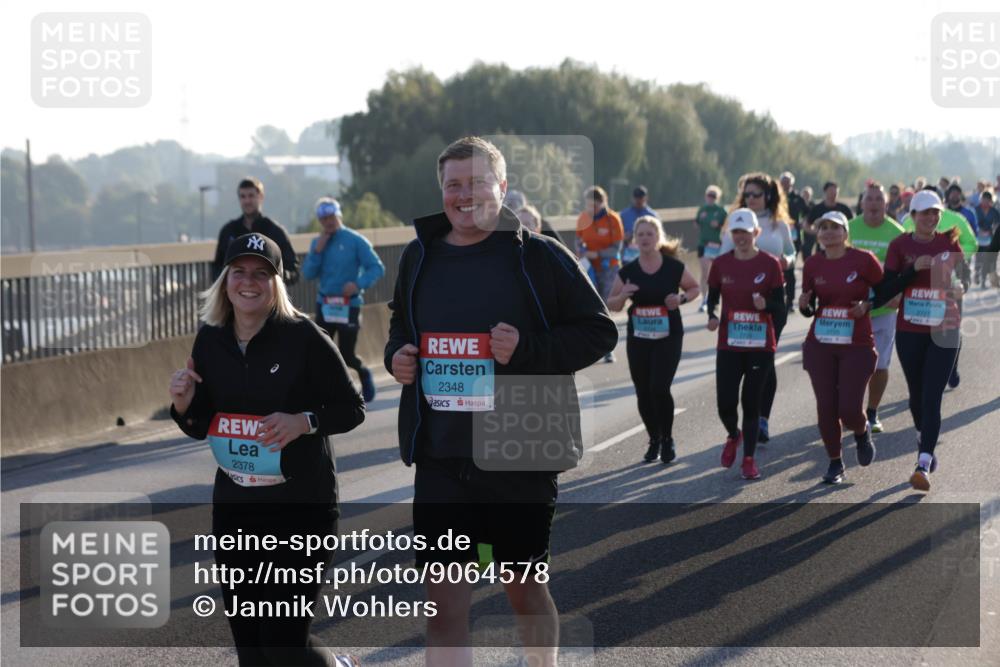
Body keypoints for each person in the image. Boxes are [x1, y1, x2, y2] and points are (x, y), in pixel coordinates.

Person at [385, 136, 618, 667]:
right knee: (443, 606)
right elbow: (402, 322)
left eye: (477, 183)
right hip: (443, 454)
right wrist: (396, 353)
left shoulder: (538, 255)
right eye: (454, 185)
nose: (465, 195)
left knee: (523, 592)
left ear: (503, 188)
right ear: (442, 190)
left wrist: (529, 349)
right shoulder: (419, 256)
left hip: (520, 450)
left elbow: (600, 332)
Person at [170, 232, 364, 666]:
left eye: (261, 273)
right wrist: (182, 404)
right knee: (253, 649)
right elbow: (201, 424)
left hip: (301, 510)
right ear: (225, 280)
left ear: (276, 282)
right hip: (237, 510)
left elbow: (352, 408)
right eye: (239, 272)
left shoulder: (304, 337)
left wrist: (303, 422)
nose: (248, 282)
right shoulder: (210, 339)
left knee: (282, 641)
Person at [879, 190, 968, 491]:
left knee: (932, 397)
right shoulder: (899, 246)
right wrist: (910, 271)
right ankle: (923, 436)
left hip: (945, 328)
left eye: (935, 213)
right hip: (910, 329)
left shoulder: (949, 243)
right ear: (913, 216)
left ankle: (923, 463)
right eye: (925, 213)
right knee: (916, 397)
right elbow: (885, 288)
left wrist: (960, 288)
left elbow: (964, 278)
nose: (931, 218)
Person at [607, 216, 699, 463]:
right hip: (639, 337)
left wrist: (680, 300)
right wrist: (623, 295)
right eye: (641, 235)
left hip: (668, 335)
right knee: (643, 392)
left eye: (650, 234)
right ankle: (653, 438)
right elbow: (611, 303)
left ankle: (667, 439)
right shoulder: (628, 271)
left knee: (659, 387)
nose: (645, 239)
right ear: (635, 240)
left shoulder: (672, 267)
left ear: (658, 238)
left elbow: (694, 288)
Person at [799, 211, 881, 483]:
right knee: (826, 407)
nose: (829, 232)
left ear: (846, 233)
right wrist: (804, 305)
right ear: (818, 233)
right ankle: (835, 463)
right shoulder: (812, 264)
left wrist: (867, 305)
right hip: (821, 343)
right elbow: (810, 306)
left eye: (835, 227)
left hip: (856, 343)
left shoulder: (864, 260)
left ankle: (861, 430)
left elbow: (885, 290)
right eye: (823, 227)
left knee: (848, 408)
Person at [706, 208, 785, 480]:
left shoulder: (770, 264)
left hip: (760, 345)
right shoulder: (721, 264)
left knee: (751, 404)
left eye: (745, 232)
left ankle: (749, 460)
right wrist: (712, 315)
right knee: (725, 404)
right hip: (729, 344)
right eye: (736, 232)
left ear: (756, 233)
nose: (740, 237)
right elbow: (712, 297)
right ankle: (733, 434)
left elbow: (781, 308)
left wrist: (768, 305)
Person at [720, 173, 796, 443]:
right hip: (741, 303)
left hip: (773, 300)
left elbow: (791, 251)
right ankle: (744, 417)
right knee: (745, 358)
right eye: (747, 194)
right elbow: (722, 258)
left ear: (769, 196)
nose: (751, 199)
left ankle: (761, 418)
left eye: (756, 194)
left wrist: (785, 261)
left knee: (766, 355)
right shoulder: (735, 224)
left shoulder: (779, 225)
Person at [302, 197, 386, 402]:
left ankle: (363, 372)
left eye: (331, 217)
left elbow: (377, 267)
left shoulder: (355, 240)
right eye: (324, 219)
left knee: (346, 354)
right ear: (320, 221)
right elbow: (308, 274)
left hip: (349, 305)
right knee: (322, 351)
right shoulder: (318, 243)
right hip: (326, 305)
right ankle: (331, 393)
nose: (328, 222)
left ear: (338, 215)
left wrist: (358, 284)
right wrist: (317, 252)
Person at [847, 182, 906, 433]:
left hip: (883, 309)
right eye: (869, 199)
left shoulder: (897, 232)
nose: (873, 204)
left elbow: (907, 270)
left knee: (880, 365)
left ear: (886, 204)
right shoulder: (849, 228)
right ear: (862, 203)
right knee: (849, 364)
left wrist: (899, 295)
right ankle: (850, 409)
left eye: (878, 200)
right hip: (850, 310)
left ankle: (872, 412)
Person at [212, 177, 300, 285]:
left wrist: (273, 277)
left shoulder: (275, 231)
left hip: (267, 298)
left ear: (261, 196)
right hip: (235, 297)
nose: (247, 201)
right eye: (243, 196)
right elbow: (216, 269)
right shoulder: (228, 231)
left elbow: (293, 271)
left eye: (251, 196)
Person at [576, 185, 625, 362]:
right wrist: (581, 251)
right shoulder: (583, 218)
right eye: (588, 205)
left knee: (605, 305)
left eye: (594, 206)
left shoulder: (613, 220)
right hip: (588, 267)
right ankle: (596, 345)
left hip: (609, 267)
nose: (591, 209)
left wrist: (597, 254)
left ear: (603, 203)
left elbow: (617, 248)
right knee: (592, 305)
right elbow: (578, 239)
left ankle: (607, 347)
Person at [694, 185, 727, 312]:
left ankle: (716, 298)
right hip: (703, 244)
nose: (711, 198)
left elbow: (727, 227)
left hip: (717, 246)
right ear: (705, 196)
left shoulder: (721, 211)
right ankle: (704, 300)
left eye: (714, 196)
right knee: (704, 273)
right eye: (709, 195)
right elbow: (696, 224)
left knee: (718, 274)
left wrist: (718, 225)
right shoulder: (702, 210)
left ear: (717, 198)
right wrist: (699, 222)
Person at [780, 172, 809, 312]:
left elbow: (808, 212)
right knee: (777, 268)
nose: (785, 184)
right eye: (783, 182)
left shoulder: (797, 198)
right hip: (778, 237)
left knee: (789, 268)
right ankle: (778, 297)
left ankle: (790, 301)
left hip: (794, 238)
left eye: (787, 182)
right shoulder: (775, 197)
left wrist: (803, 223)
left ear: (792, 184)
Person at [806, 182, 854, 256]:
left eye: (836, 192)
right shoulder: (817, 208)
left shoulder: (844, 208)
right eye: (831, 191)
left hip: (842, 247)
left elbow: (853, 224)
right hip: (822, 247)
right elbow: (807, 224)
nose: (834, 194)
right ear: (825, 192)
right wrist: (817, 232)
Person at [619, 185, 659, 252]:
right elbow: (617, 234)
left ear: (646, 198)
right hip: (627, 251)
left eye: (640, 197)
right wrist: (624, 237)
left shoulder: (652, 215)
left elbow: (658, 235)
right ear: (632, 198)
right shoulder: (624, 215)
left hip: (647, 250)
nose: (638, 200)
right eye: (636, 198)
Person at [974, 189, 1000, 287]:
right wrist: (978, 229)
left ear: (990, 200)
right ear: (981, 199)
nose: (985, 201)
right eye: (983, 199)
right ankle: (977, 273)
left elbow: (998, 223)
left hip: (990, 239)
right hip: (977, 238)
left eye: (987, 200)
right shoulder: (976, 210)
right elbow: (972, 223)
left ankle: (983, 280)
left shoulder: (994, 211)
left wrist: (993, 229)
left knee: (986, 260)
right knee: (978, 259)